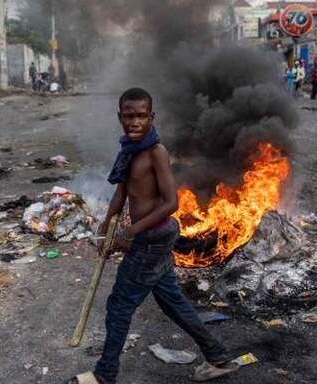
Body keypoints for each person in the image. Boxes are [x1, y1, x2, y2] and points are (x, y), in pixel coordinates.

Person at [69, 88, 234, 384]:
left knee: (119, 306)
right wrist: (106, 224)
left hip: (151, 239)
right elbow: (122, 190)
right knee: (173, 302)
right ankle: (219, 357)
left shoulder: (155, 152)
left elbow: (172, 203)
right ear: (120, 117)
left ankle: (104, 375)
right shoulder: (129, 150)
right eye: (129, 116)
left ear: (151, 117)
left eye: (141, 116)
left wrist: (129, 233)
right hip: (150, 238)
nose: (134, 122)